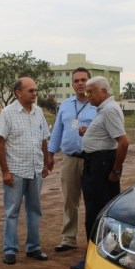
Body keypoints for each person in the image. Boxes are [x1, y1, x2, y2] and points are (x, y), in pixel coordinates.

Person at [72, 76, 129, 269]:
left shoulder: (110, 110)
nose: (88, 96)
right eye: (86, 92)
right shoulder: (104, 110)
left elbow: (123, 142)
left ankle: (94, 256)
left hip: (101, 166)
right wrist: (89, 132)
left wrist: (115, 170)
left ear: (103, 92)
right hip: (96, 163)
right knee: (96, 210)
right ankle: (104, 253)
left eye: (91, 92)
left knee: (96, 213)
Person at [0, 77, 51, 265]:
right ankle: (10, 249)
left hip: (35, 170)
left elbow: (44, 138)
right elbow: (0, 143)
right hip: (16, 170)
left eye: (35, 90)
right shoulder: (7, 113)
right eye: (30, 91)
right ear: (18, 93)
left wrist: (46, 161)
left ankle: (33, 247)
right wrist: (5, 172)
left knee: (35, 210)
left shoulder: (38, 112)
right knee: (12, 211)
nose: (35, 94)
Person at [46, 67, 97, 253]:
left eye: (84, 80)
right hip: (69, 159)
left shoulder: (98, 105)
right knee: (70, 200)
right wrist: (50, 154)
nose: (80, 83)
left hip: (92, 159)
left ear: (90, 82)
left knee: (93, 200)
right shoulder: (66, 105)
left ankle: (94, 240)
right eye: (76, 81)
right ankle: (68, 239)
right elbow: (57, 130)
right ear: (72, 84)